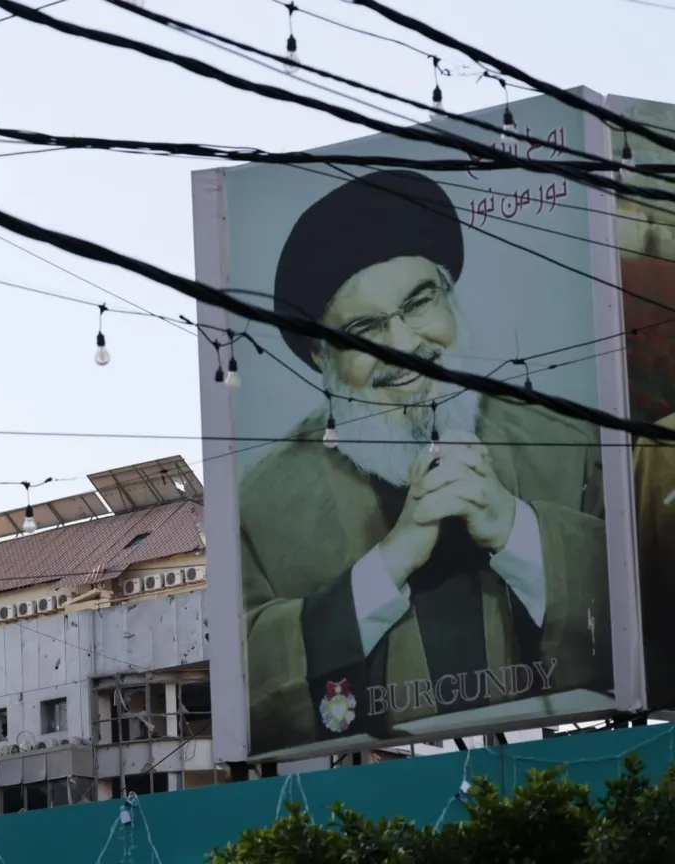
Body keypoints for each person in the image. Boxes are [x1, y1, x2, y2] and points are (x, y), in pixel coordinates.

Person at [239, 169, 611, 754]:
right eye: (364, 331)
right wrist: (388, 564)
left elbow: (647, 603)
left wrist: (516, 531)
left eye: (418, 303)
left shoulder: (565, 439)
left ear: (449, 299)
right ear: (320, 355)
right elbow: (249, 688)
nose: (407, 344)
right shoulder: (261, 504)